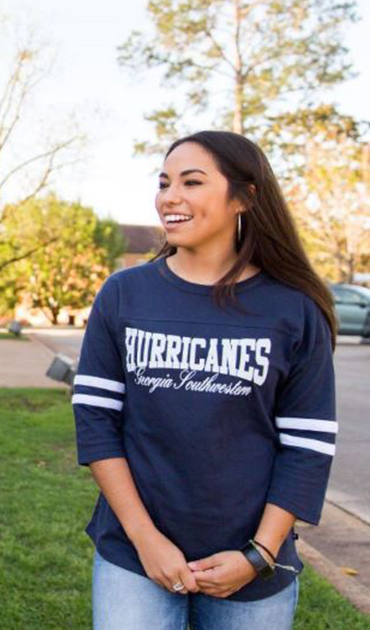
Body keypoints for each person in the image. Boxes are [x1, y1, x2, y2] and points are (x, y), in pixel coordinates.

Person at [74, 130, 338, 629]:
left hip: (251, 563)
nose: (170, 197)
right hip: (134, 556)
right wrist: (144, 538)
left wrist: (259, 555)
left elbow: (308, 447)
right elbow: (95, 422)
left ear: (244, 196)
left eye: (191, 182)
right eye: (164, 182)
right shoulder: (124, 295)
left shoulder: (294, 309)